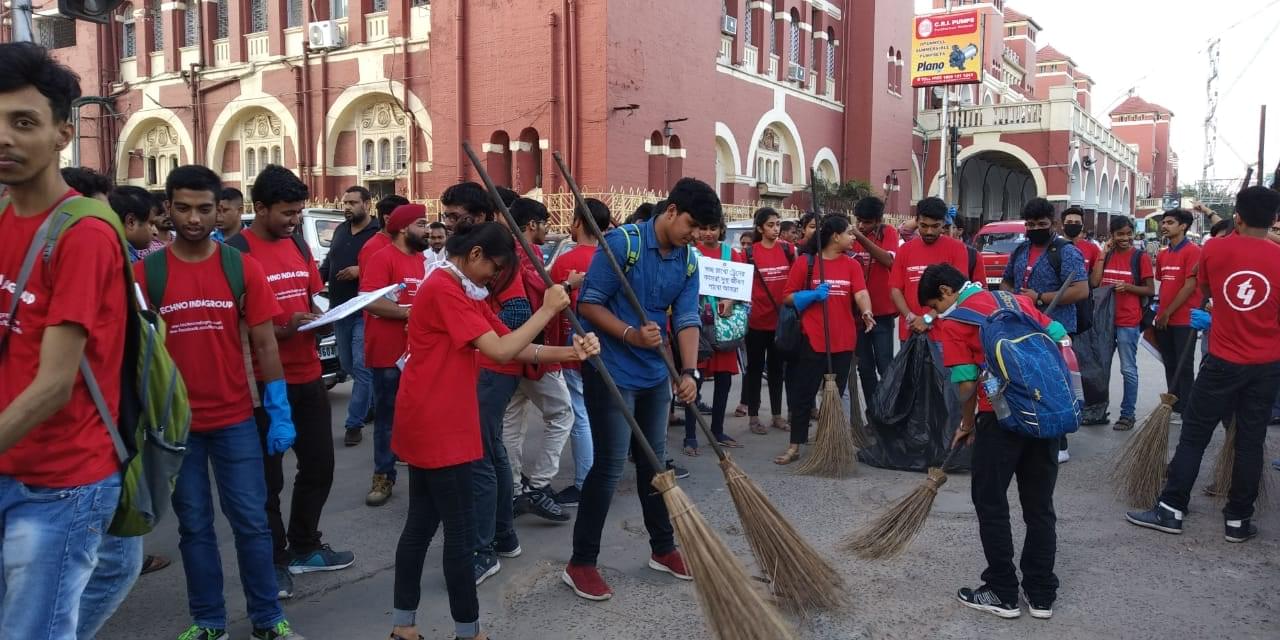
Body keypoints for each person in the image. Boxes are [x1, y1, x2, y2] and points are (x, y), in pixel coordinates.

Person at [389, 222, 600, 640]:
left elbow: (513, 344)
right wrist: (549, 308)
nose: (495, 278)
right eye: (496, 268)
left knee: (422, 525)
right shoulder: (446, 289)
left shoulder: (463, 290)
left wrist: (571, 352)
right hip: (438, 423)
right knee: (458, 532)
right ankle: (467, 633)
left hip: (435, 417)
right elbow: (501, 351)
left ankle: (405, 627)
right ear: (475, 254)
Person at [0, 42, 135, 639]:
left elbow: (54, 385)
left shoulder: (82, 232)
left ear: (61, 132)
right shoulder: (3, 217)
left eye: (23, 122)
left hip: (59, 486)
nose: (4, 138)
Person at [134, 164, 302, 639]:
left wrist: (278, 407)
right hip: (176, 429)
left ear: (221, 210)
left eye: (204, 208)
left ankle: (268, 618)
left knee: (252, 522)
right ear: (167, 209)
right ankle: (208, 622)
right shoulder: (146, 274)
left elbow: (266, 344)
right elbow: (136, 355)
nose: (193, 218)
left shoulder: (239, 266)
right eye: (182, 208)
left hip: (234, 421)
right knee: (196, 529)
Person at [564, 178, 719, 601]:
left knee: (656, 464)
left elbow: (686, 317)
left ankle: (663, 548)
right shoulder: (621, 244)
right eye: (692, 225)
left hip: (655, 373)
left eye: (702, 230)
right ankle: (581, 562)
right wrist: (630, 334)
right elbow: (588, 305)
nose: (695, 235)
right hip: (611, 369)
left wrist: (688, 373)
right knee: (610, 467)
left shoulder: (687, 260)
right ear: (671, 211)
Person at [1126, 186, 1280, 543]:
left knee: (1195, 434)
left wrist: (1211, 313)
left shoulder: (1215, 249)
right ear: (1274, 219)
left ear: (1237, 216)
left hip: (1223, 360)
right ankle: (1239, 520)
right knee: (1250, 441)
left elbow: (1206, 290)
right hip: (1267, 365)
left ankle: (1171, 509)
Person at [234, 165, 355, 599]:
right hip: (262, 385)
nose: (293, 221)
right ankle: (274, 560)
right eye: (286, 213)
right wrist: (285, 328)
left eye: (298, 213)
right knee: (267, 481)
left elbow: (309, 297)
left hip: (306, 376)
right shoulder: (235, 252)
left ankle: (305, 545)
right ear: (260, 208)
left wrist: (320, 318)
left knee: (320, 465)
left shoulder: (299, 245)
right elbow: (231, 327)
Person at [920, 263, 1067, 620]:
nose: (934, 315)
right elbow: (1060, 334)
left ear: (944, 292)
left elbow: (967, 383)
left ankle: (1002, 591)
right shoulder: (1011, 300)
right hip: (1043, 416)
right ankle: (1041, 593)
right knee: (1039, 506)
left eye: (933, 307)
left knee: (990, 502)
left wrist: (967, 423)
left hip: (999, 421)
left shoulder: (956, 322)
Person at [497, 198, 576, 522]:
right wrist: (568, 285)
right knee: (562, 413)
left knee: (512, 422)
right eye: (544, 223)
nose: (548, 229)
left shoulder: (515, 253)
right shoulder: (518, 255)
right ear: (532, 225)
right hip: (529, 351)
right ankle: (538, 486)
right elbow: (539, 297)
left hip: (512, 350)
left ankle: (515, 489)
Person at [774, 215, 875, 465]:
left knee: (835, 397)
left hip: (843, 341)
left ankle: (830, 442)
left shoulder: (852, 265)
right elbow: (787, 297)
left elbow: (861, 292)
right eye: (849, 233)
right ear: (835, 236)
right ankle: (794, 446)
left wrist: (866, 311)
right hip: (812, 339)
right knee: (803, 395)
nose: (853, 237)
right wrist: (809, 296)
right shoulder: (806, 264)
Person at [999, 198, 1088, 463]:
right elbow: (1007, 281)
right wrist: (1014, 300)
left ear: (1054, 223)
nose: (1035, 228)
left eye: (1041, 224)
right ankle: (1033, 431)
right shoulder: (1020, 250)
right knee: (1029, 383)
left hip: (1055, 329)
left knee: (1057, 384)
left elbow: (1080, 290)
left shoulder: (1066, 251)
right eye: (1030, 224)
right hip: (1024, 327)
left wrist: (1039, 298)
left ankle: (1060, 442)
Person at [360, 203, 430, 507]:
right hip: (387, 354)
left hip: (417, 354)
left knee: (419, 417)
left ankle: (424, 478)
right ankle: (383, 476)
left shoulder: (424, 262)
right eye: (422, 224)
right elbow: (369, 302)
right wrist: (408, 314)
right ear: (404, 228)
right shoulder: (382, 258)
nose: (428, 230)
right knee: (387, 417)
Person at [547, 198, 610, 504]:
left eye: (572, 220)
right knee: (600, 412)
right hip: (608, 347)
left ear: (579, 223)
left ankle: (586, 480)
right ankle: (603, 472)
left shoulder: (564, 263)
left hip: (575, 346)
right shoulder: (610, 257)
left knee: (579, 414)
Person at [320, 185, 381, 447]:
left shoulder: (377, 234)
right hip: (339, 308)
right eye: (345, 202)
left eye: (353, 202)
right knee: (346, 365)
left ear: (367, 204)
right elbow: (328, 263)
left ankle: (353, 424)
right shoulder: (341, 230)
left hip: (364, 309)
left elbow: (386, 268)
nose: (347, 207)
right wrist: (315, 282)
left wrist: (361, 270)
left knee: (360, 366)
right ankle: (376, 402)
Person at [682, 220, 747, 455]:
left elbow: (743, 288)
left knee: (724, 381)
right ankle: (690, 436)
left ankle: (717, 431)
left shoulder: (733, 255)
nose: (708, 233)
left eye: (713, 228)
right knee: (693, 380)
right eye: (704, 228)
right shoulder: (690, 254)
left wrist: (732, 301)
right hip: (698, 325)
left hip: (725, 327)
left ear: (721, 230)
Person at [1089, 216, 1155, 430]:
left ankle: (1128, 414)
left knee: (1128, 369)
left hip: (1128, 321)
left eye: (1128, 233)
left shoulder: (1140, 257)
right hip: (1105, 322)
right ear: (1112, 235)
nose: (1125, 238)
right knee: (1101, 369)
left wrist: (1127, 287)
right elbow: (1094, 282)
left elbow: (1150, 290)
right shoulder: (1106, 256)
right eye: (1120, 234)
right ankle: (1098, 412)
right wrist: (1102, 253)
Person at [890, 197, 978, 342]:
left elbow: (959, 290)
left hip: (944, 335)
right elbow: (895, 289)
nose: (929, 231)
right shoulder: (905, 250)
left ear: (944, 223)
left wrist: (927, 318)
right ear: (917, 221)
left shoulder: (957, 249)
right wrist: (909, 317)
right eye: (923, 226)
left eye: (935, 226)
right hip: (910, 332)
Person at [740, 207, 795, 434]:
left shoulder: (788, 249)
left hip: (781, 322)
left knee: (777, 371)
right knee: (754, 370)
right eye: (771, 225)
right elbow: (741, 286)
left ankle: (776, 415)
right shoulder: (749, 254)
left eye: (778, 224)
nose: (775, 229)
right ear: (760, 227)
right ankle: (753, 416)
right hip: (756, 322)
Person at [850, 196, 900, 407]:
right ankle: (873, 411)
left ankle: (888, 411)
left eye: (867, 222)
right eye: (859, 220)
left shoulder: (888, 233)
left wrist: (861, 238)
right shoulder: (850, 236)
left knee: (885, 365)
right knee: (865, 368)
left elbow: (888, 260)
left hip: (882, 312)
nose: (862, 225)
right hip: (857, 314)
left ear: (879, 220)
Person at [1153, 208, 1202, 417]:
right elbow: (1163, 285)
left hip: (1184, 320)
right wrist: (1160, 313)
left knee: (1184, 366)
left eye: (1170, 222)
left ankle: (1188, 410)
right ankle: (1173, 404)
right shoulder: (1163, 255)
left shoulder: (1194, 251)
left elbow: (1189, 287)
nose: (1165, 226)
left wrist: (1168, 312)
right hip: (1164, 319)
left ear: (1183, 226)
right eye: (1164, 222)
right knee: (1170, 363)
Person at [109, 185, 161, 264]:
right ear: (131, 222)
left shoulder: (109, 248)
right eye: (151, 224)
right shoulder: (126, 262)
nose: (155, 232)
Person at [358, 194, 408, 269]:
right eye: (406, 216)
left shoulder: (408, 243)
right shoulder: (373, 248)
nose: (410, 220)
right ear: (387, 219)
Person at [1061, 206, 1100, 273]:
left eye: (1077, 223)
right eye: (1069, 222)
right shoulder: (1053, 247)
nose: (1073, 225)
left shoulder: (1093, 248)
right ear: (1062, 225)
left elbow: (1095, 278)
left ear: (1082, 227)